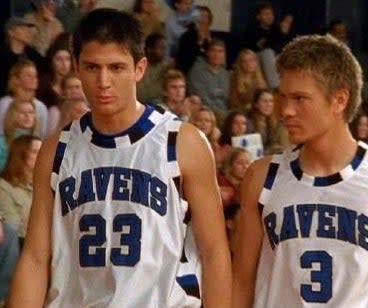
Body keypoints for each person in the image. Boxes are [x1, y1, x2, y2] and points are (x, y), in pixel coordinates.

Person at [8, 8, 231, 308]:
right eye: (91, 67)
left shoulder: (182, 142)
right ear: (75, 66)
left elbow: (215, 251)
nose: (103, 81)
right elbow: (35, 257)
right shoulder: (56, 150)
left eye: (116, 67)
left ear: (139, 68)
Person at [232, 35, 368, 308]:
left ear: (339, 100)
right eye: (282, 96)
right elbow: (241, 283)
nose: (286, 110)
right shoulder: (262, 175)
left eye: (300, 98)